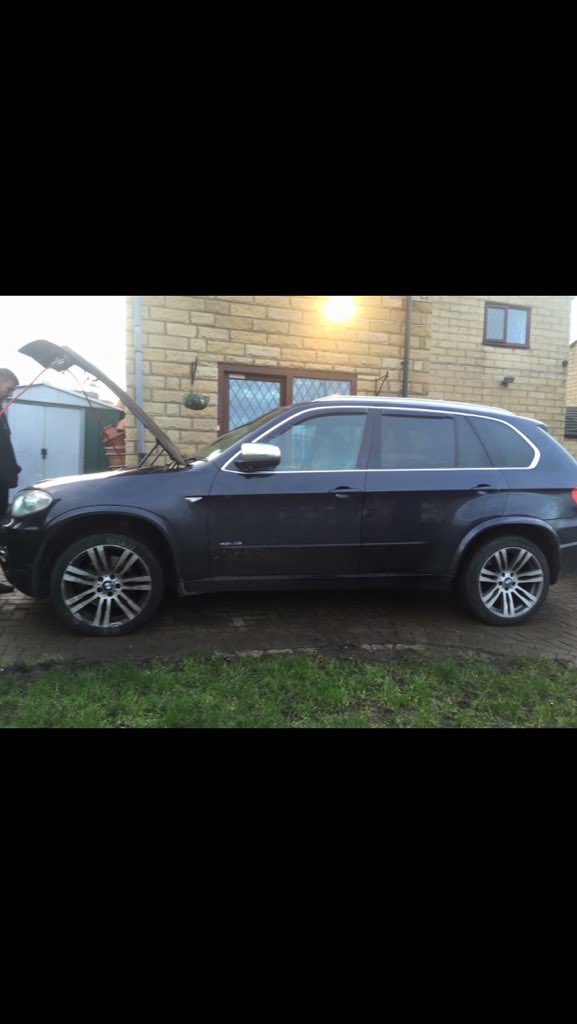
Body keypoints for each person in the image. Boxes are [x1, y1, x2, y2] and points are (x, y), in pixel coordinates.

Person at [0, 368, 21, 594]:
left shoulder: (2, 413)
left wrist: (12, 469)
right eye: (9, 387)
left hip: (2, 483)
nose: (10, 393)